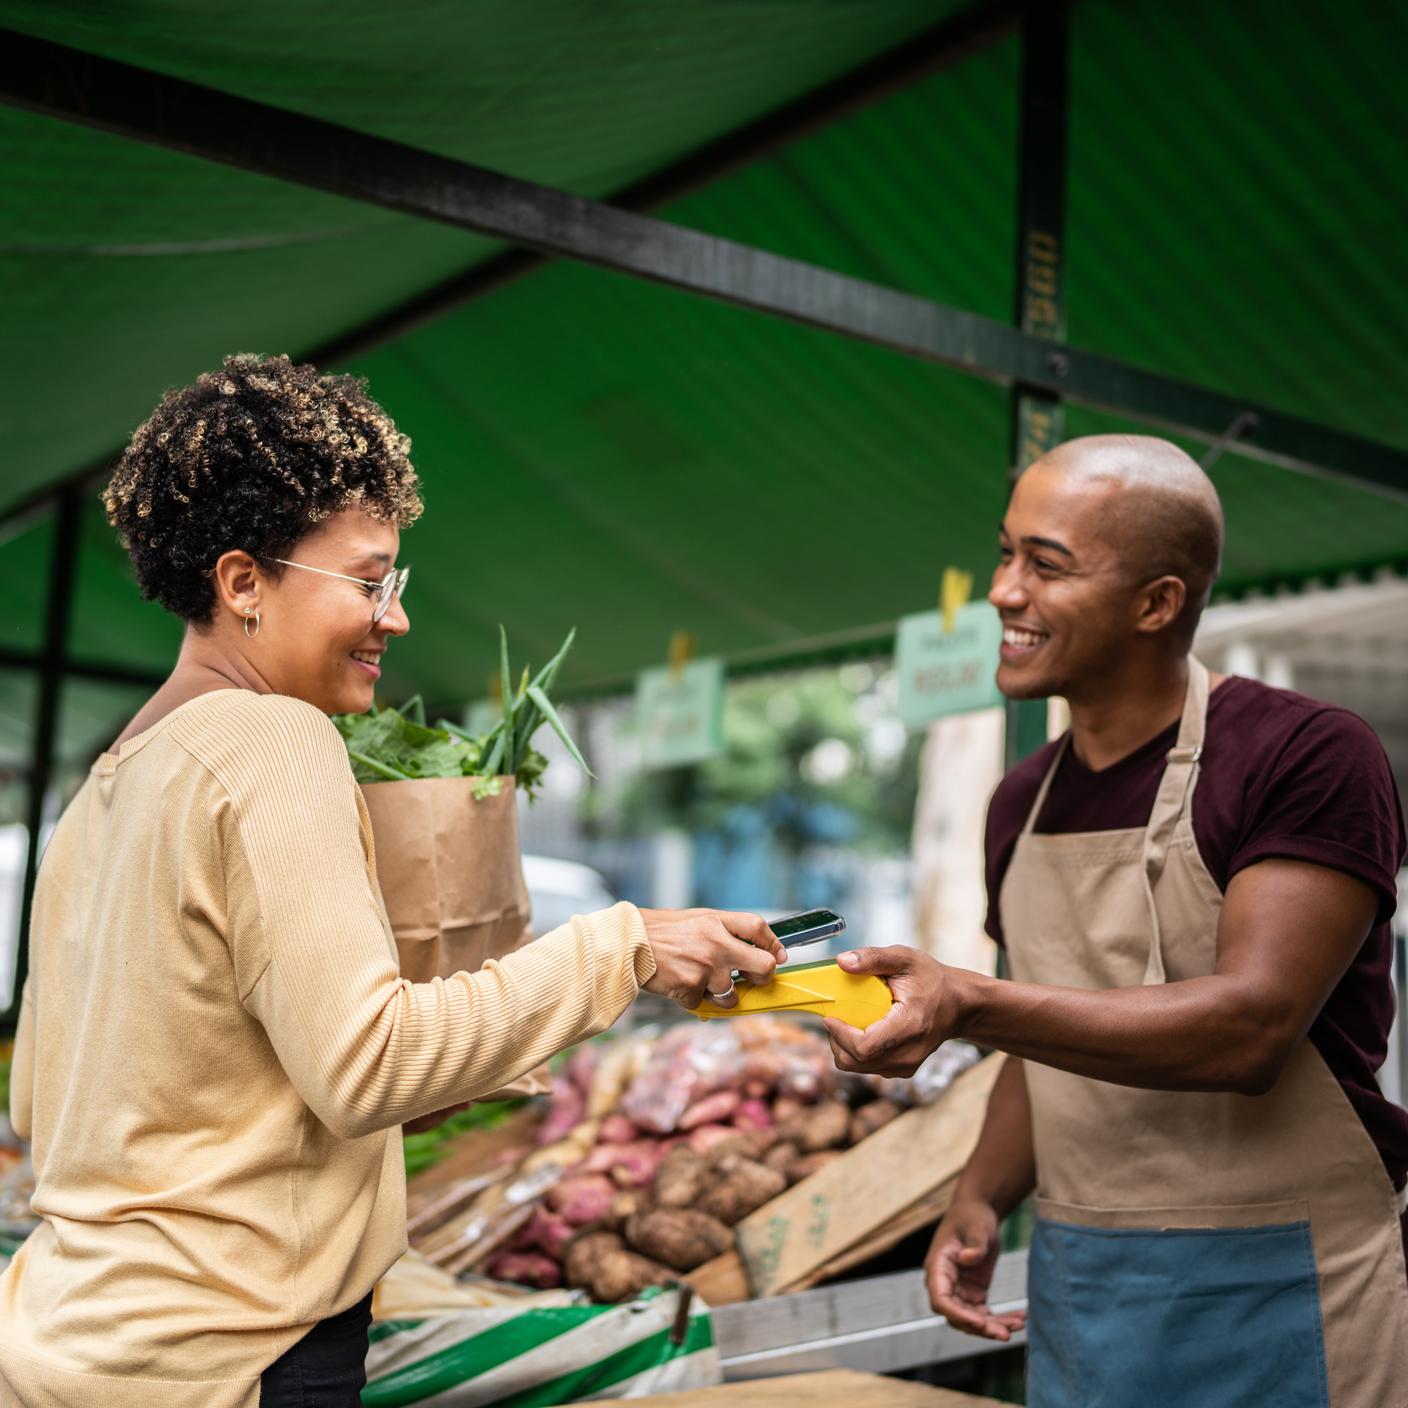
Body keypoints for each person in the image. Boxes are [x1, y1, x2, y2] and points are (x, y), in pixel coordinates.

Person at [0, 354, 785, 1408]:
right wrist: (625, 946)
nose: (396, 617)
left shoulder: (107, 786)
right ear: (242, 582)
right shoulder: (273, 738)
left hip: (73, 1341)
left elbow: (44, 1102)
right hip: (229, 1352)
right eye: (370, 583)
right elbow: (365, 1064)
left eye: (395, 583)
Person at [825, 435, 1408, 1407]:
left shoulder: (1302, 754)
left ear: (1157, 603)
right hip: (1086, 1283)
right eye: (1004, 554)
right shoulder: (1021, 799)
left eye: (1044, 565)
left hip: (1290, 1285)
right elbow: (1039, 1035)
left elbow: (1250, 1028)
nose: (1004, 592)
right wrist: (980, 1193)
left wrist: (966, 998)